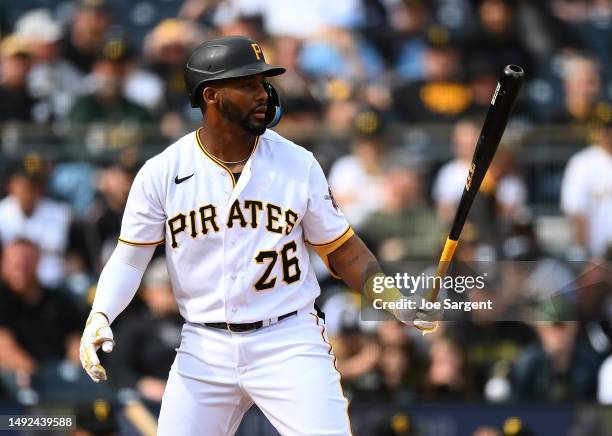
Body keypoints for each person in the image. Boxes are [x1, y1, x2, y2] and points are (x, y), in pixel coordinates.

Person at [78, 35, 433, 435]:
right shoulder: (163, 171)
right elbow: (129, 258)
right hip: (204, 345)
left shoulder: (298, 163)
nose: (263, 93)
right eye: (247, 84)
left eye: (263, 82)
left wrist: (389, 295)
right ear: (211, 95)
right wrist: (101, 313)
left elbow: (343, 249)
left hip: (287, 339)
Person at [560, 114, 612, 258]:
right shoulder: (582, 162)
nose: (608, 133)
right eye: (605, 128)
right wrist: (583, 254)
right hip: (596, 254)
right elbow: (576, 212)